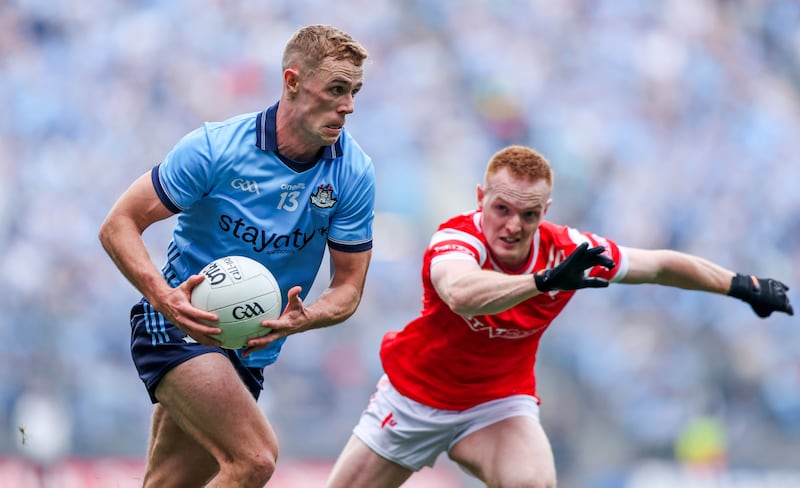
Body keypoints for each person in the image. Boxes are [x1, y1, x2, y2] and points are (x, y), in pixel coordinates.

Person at [326, 145, 793, 488]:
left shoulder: (570, 250)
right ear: (480, 198)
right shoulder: (456, 238)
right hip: (413, 400)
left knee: (535, 485)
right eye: (501, 209)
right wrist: (543, 282)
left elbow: (660, 266)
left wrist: (742, 286)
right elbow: (461, 292)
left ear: (545, 211)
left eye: (528, 215)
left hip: (496, 403)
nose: (512, 226)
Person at [98, 24, 374, 488]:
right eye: (336, 89)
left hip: (245, 348)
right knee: (255, 459)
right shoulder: (216, 148)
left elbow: (348, 287)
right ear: (292, 81)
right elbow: (118, 225)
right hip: (177, 325)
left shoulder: (352, 173)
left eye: (354, 92)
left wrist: (306, 318)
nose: (348, 106)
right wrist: (167, 299)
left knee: (169, 482)